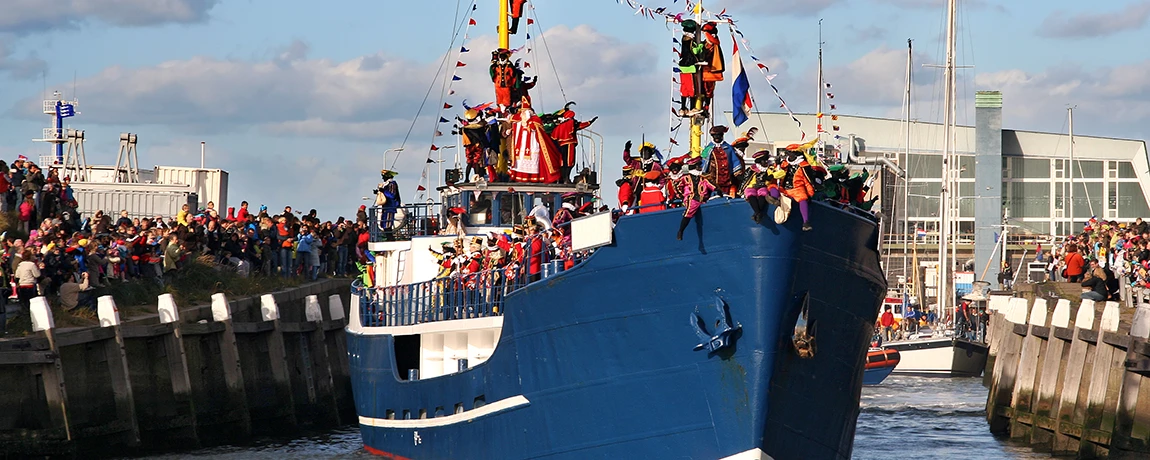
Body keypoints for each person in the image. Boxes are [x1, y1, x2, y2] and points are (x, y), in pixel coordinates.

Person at [508, 97, 563, 183]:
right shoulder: (520, 119)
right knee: (520, 162)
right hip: (521, 146)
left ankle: (534, 179)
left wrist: (530, 123)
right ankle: (518, 178)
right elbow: (513, 119)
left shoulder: (535, 119)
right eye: (522, 112)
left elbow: (536, 129)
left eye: (524, 112)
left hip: (532, 144)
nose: (522, 114)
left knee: (533, 162)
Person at [548, 103, 597, 184]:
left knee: (563, 162)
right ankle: (566, 178)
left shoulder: (559, 126)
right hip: (569, 144)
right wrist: (590, 122)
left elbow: (553, 137)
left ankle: (562, 178)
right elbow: (580, 125)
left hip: (560, 146)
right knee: (570, 162)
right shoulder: (571, 123)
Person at [677, 157, 716, 241]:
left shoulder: (703, 177)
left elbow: (712, 186)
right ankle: (681, 231)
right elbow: (678, 187)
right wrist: (682, 196)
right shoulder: (685, 177)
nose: (701, 167)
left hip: (703, 200)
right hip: (692, 198)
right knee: (689, 212)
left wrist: (718, 191)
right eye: (699, 165)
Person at [701, 126, 742, 197]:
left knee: (727, 186)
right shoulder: (708, 149)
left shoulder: (729, 148)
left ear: (722, 135)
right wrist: (702, 171)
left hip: (727, 174)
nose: (717, 137)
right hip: (713, 174)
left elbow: (734, 159)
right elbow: (703, 161)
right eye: (714, 135)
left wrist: (737, 170)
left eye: (719, 135)